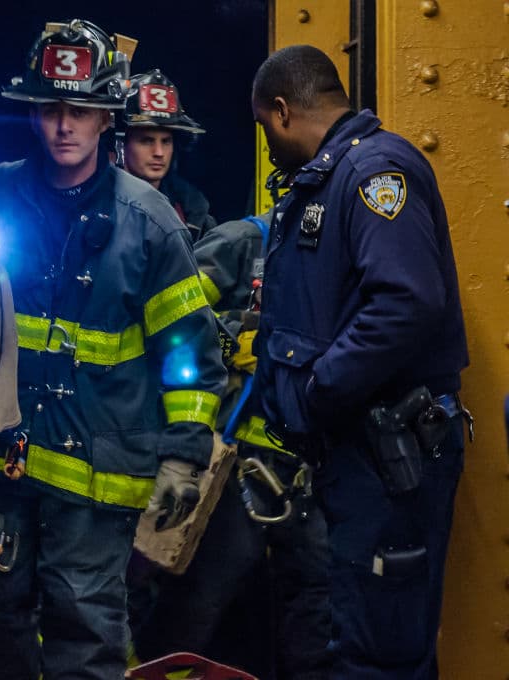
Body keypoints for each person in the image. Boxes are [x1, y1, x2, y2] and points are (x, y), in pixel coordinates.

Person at [0, 19, 227, 680]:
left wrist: (185, 457)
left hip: (96, 476)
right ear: (33, 113)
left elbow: (187, 350)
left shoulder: (150, 222)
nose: (64, 125)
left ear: (108, 119)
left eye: (80, 110)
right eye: (51, 108)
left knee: (85, 630)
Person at [251, 44, 470, 678]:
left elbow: (406, 301)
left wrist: (322, 387)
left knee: (381, 649)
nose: (268, 145)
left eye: (266, 127)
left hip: (386, 451)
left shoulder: (376, 172)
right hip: (359, 450)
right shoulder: (332, 174)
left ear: (285, 111)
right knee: (358, 633)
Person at [128, 207, 333, 680]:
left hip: (307, 469)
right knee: (200, 601)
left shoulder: (339, 249)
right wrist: (233, 336)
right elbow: (174, 324)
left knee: (317, 603)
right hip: (241, 467)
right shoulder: (242, 242)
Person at [117, 69, 216, 240]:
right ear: (121, 144)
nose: (159, 153)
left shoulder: (194, 213)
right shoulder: (97, 205)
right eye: (147, 141)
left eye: (166, 141)